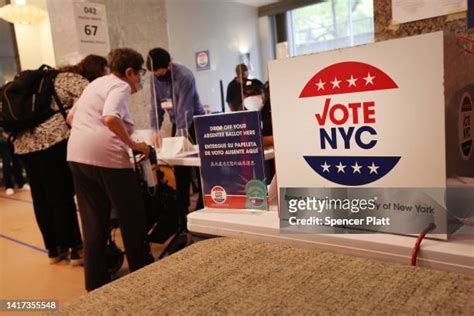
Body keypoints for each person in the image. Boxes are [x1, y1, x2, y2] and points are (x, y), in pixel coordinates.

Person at [67, 48, 153, 291]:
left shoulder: (96, 84)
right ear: (129, 72)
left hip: (76, 156)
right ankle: (143, 275)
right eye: (140, 74)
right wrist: (134, 145)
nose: (140, 79)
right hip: (107, 158)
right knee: (132, 216)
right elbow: (110, 118)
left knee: (93, 223)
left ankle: (95, 284)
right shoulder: (120, 86)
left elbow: (71, 118)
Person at [13, 55, 108, 265]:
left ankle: (54, 249)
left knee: (41, 197)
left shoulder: (48, 78)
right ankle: (76, 248)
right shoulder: (73, 79)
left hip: (23, 145)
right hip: (52, 142)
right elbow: (99, 103)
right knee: (61, 194)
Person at [147, 47, 205, 211]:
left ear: (169, 65)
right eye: (154, 73)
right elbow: (155, 107)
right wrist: (154, 130)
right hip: (176, 122)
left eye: (160, 72)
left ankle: (202, 205)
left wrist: (180, 137)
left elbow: (185, 110)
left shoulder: (184, 76)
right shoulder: (154, 78)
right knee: (180, 168)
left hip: (194, 122)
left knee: (198, 166)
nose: (157, 76)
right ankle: (182, 208)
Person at [243, 80, 275, 183]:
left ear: (263, 93)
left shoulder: (271, 109)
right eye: (248, 94)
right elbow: (245, 139)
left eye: (255, 93)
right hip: (254, 162)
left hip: (273, 160)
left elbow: (280, 138)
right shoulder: (243, 114)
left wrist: (262, 140)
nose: (251, 97)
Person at [0, 127, 28, 196]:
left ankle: (21, 183)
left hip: (14, 138)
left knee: (17, 161)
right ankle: (8, 186)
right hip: (3, 141)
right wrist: (6, 135)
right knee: (7, 163)